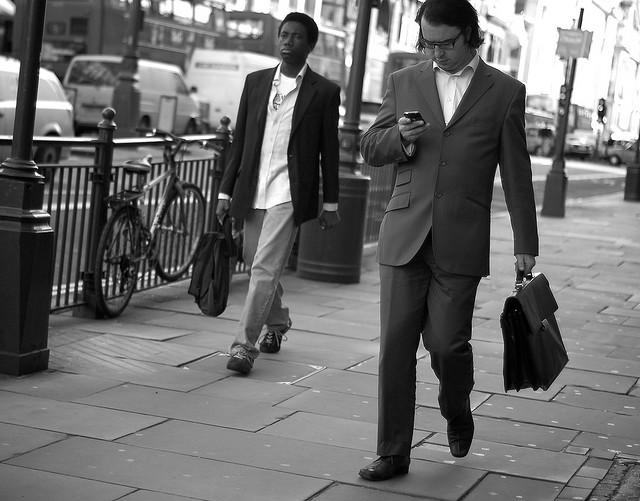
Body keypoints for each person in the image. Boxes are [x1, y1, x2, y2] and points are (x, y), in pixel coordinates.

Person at [358, 0, 539, 481]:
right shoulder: (405, 82)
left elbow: (516, 173)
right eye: (428, 43)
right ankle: (393, 452)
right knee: (395, 348)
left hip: (460, 239)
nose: (436, 53)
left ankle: (457, 407)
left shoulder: (505, 92)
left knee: (445, 345)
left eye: (446, 43)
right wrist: (399, 136)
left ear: (471, 35)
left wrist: (526, 240)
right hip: (404, 234)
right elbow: (371, 147)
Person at [216, 12, 341, 375]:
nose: (287, 42)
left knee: (265, 269)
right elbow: (240, 142)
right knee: (257, 262)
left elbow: (329, 151)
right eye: (283, 35)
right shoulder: (256, 83)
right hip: (253, 187)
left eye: (296, 37)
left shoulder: (324, 92)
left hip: (290, 192)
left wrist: (330, 202)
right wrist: (225, 192)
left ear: (310, 44)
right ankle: (279, 321)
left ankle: (243, 348)